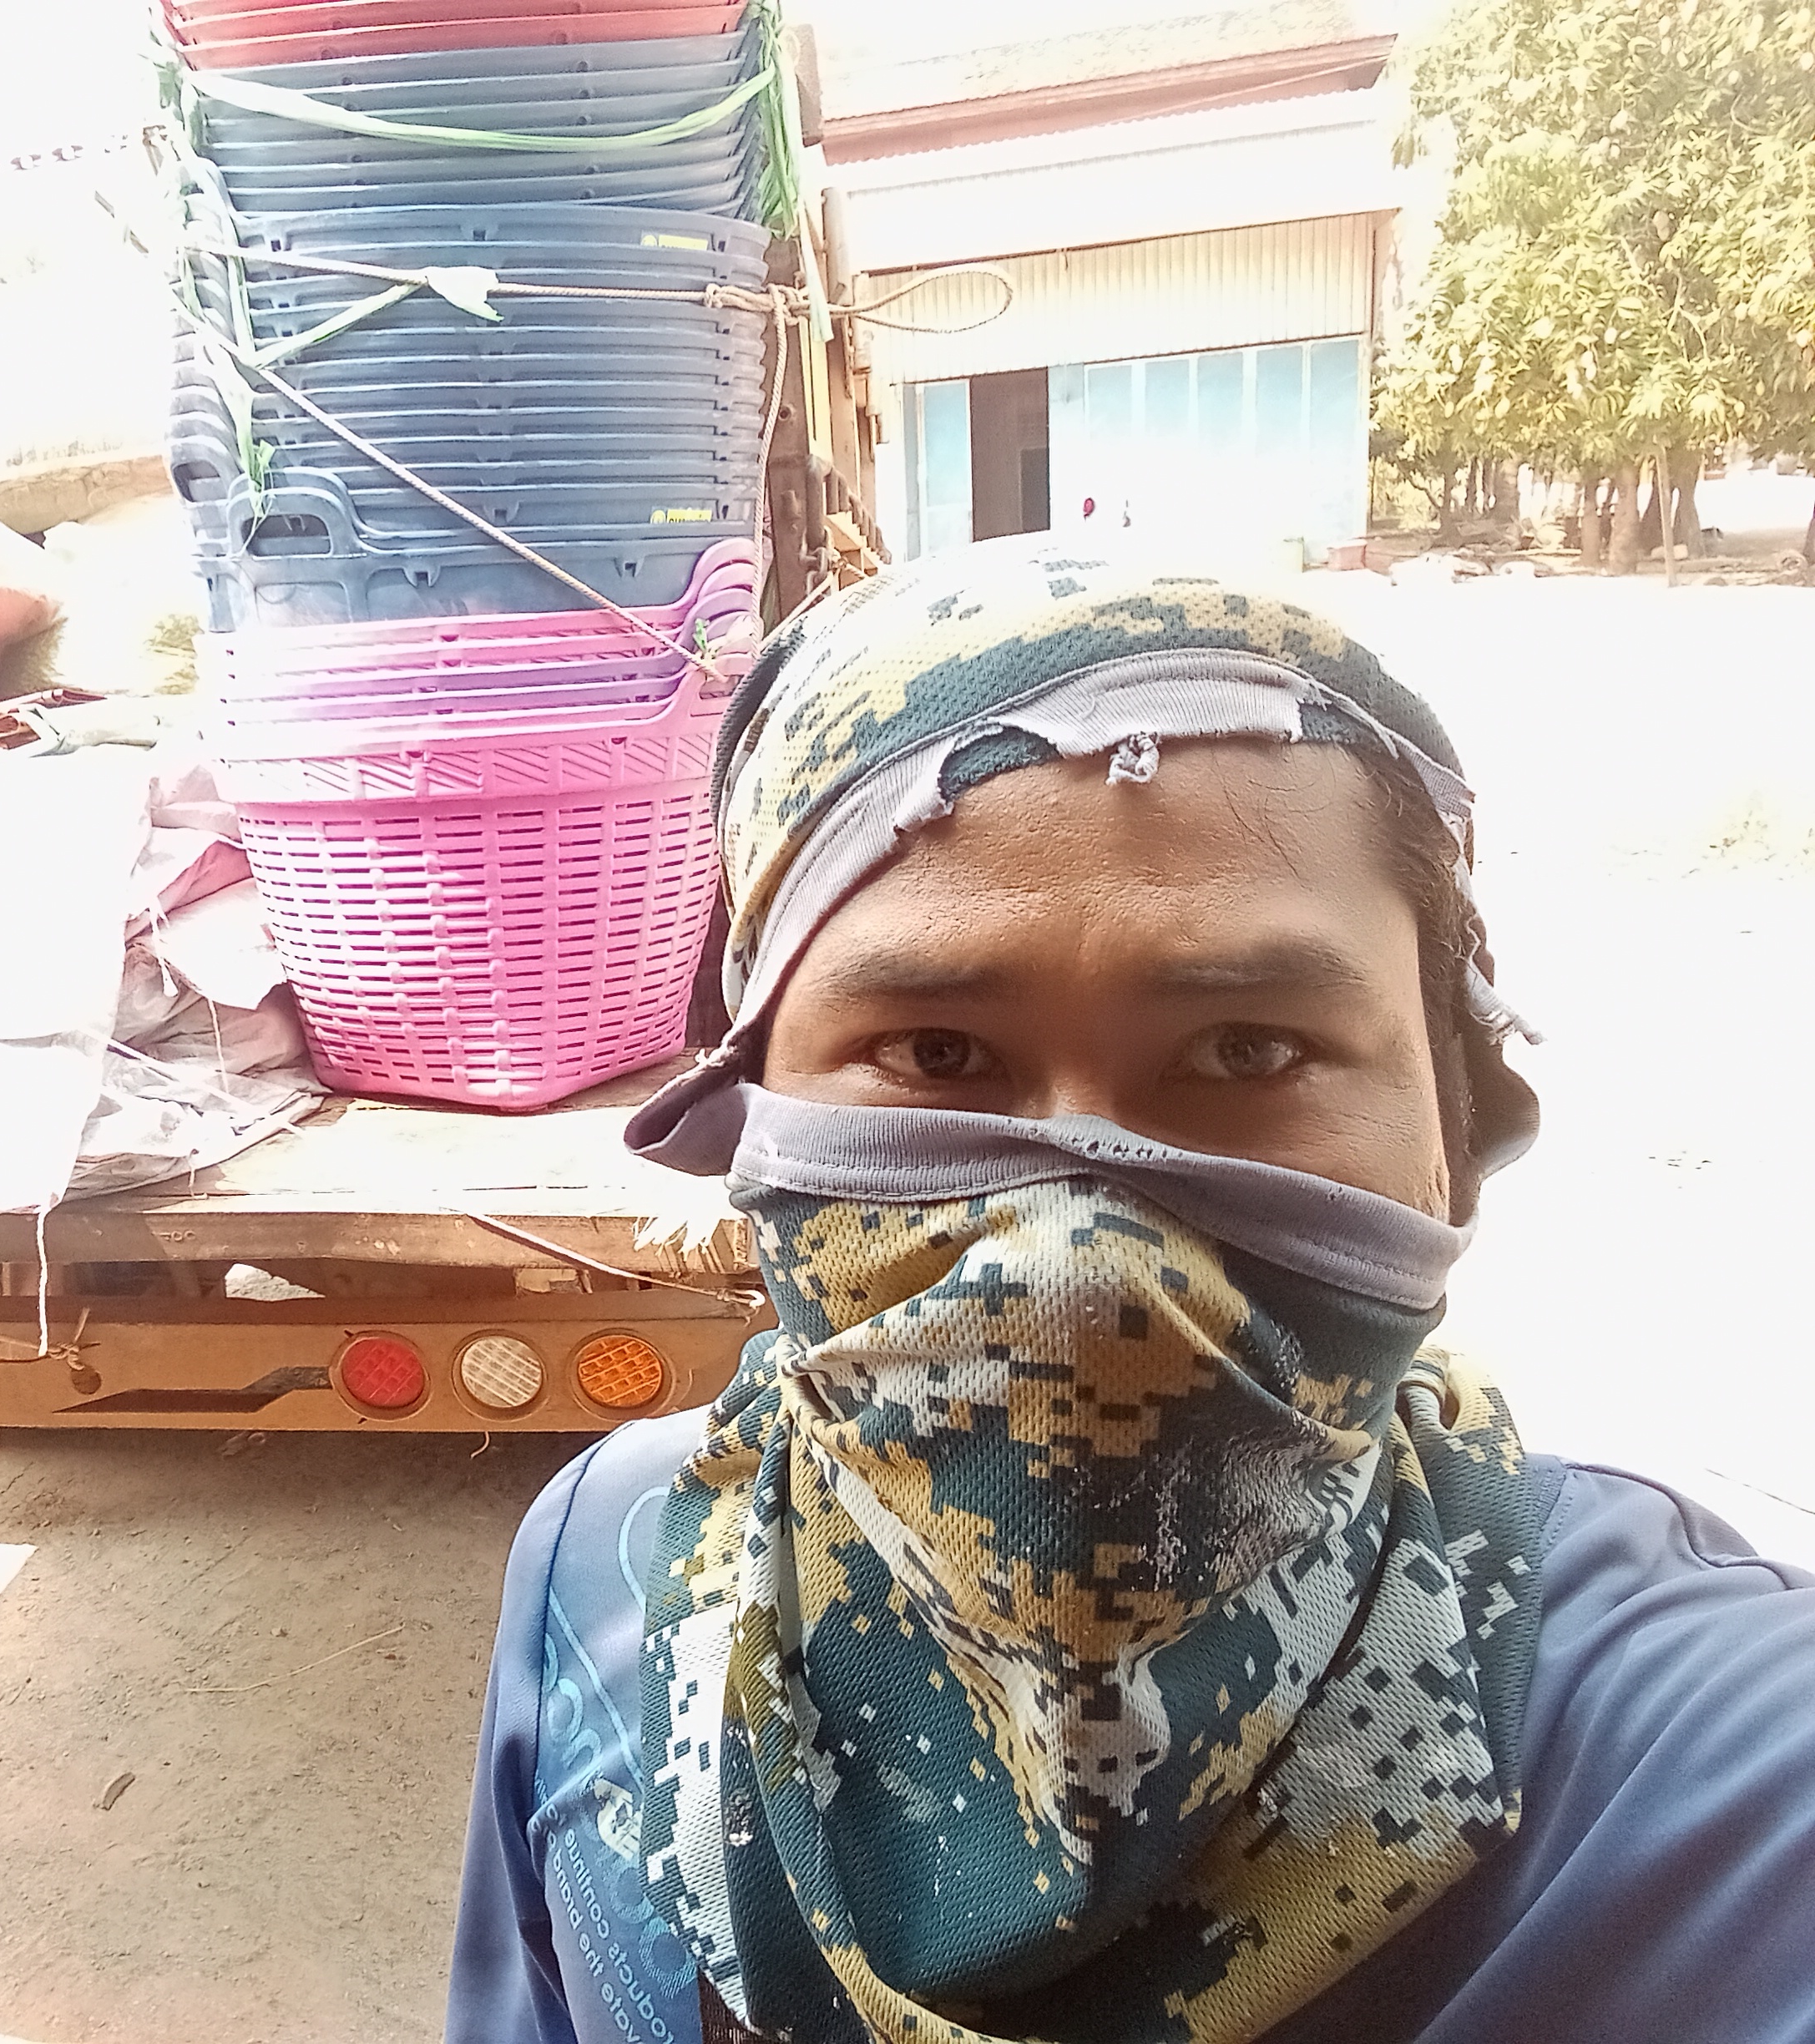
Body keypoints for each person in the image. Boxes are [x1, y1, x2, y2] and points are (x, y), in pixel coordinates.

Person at [445, 543, 1815, 2044]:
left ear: (1457, 1130)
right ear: (752, 1114)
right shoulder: (606, 1570)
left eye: (1249, 1051)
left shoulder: (1713, 1769)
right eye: (937, 1054)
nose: (1074, 1256)